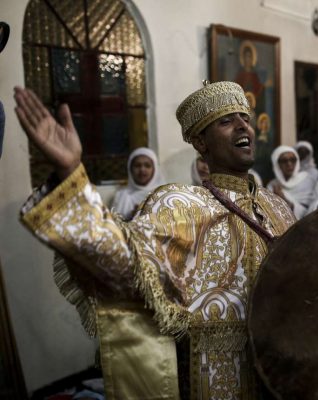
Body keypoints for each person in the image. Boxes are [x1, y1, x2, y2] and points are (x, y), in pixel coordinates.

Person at [14, 81, 295, 399]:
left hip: (281, 372)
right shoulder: (181, 205)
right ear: (201, 143)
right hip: (216, 376)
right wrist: (70, 175)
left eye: (244, 117)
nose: (243, 125)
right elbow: (127, 260)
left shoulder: (278, 207)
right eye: (226, 121)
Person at [111, 147, 165, 221]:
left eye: (147, 165)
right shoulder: (121, 195)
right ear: (130, 169)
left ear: (154, 169)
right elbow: (113, 225)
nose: (142, 169)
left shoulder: (163, 194)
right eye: (137, 165)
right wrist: (131, 217)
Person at [267, 145, 316, 219]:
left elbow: (312, 211)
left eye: (293, 160)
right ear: (277, 164)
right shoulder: (272, 186)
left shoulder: (307, 181)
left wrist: (284, 200)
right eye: (284, 161)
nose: (289, 164)